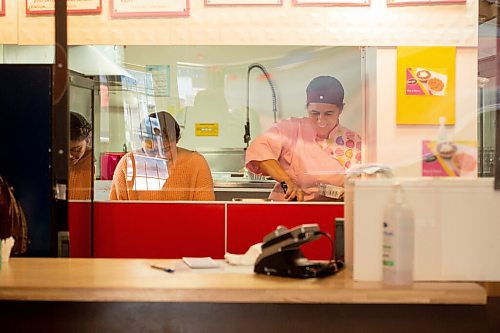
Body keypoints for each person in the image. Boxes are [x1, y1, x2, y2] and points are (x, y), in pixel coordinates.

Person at [245, 76, 361, 201]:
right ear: (307, 107)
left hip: (333, 211)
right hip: (292, 209)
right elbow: (259, 149)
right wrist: (286, 181)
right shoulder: (291, 128)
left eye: (328, 113)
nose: (321, 120)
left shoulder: (352, 141)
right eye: (314, 113)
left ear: (341, 109)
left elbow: (362, 182)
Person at [109, 111, 215, 201]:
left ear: (177, 140)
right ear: (141, 140)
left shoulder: (196, 164)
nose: (158, 155)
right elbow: (115, 213)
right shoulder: (127, 164)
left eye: (165, 149)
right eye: (151, 148)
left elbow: (205, 212)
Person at [69, 112, 93, 200]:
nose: (69, 156)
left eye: (76, 150)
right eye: (62, 149)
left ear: (88, 139)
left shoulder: (92, 165)